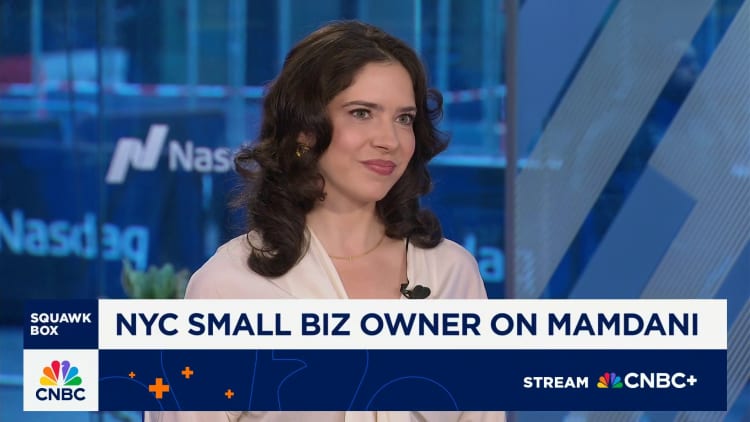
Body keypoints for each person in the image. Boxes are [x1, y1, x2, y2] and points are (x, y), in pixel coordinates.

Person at [146, 20, 504, 422]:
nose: (389, 140)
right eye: (362, 113)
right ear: (304, 131)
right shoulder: (226, 289)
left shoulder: (452, 273)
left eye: (404, 118)